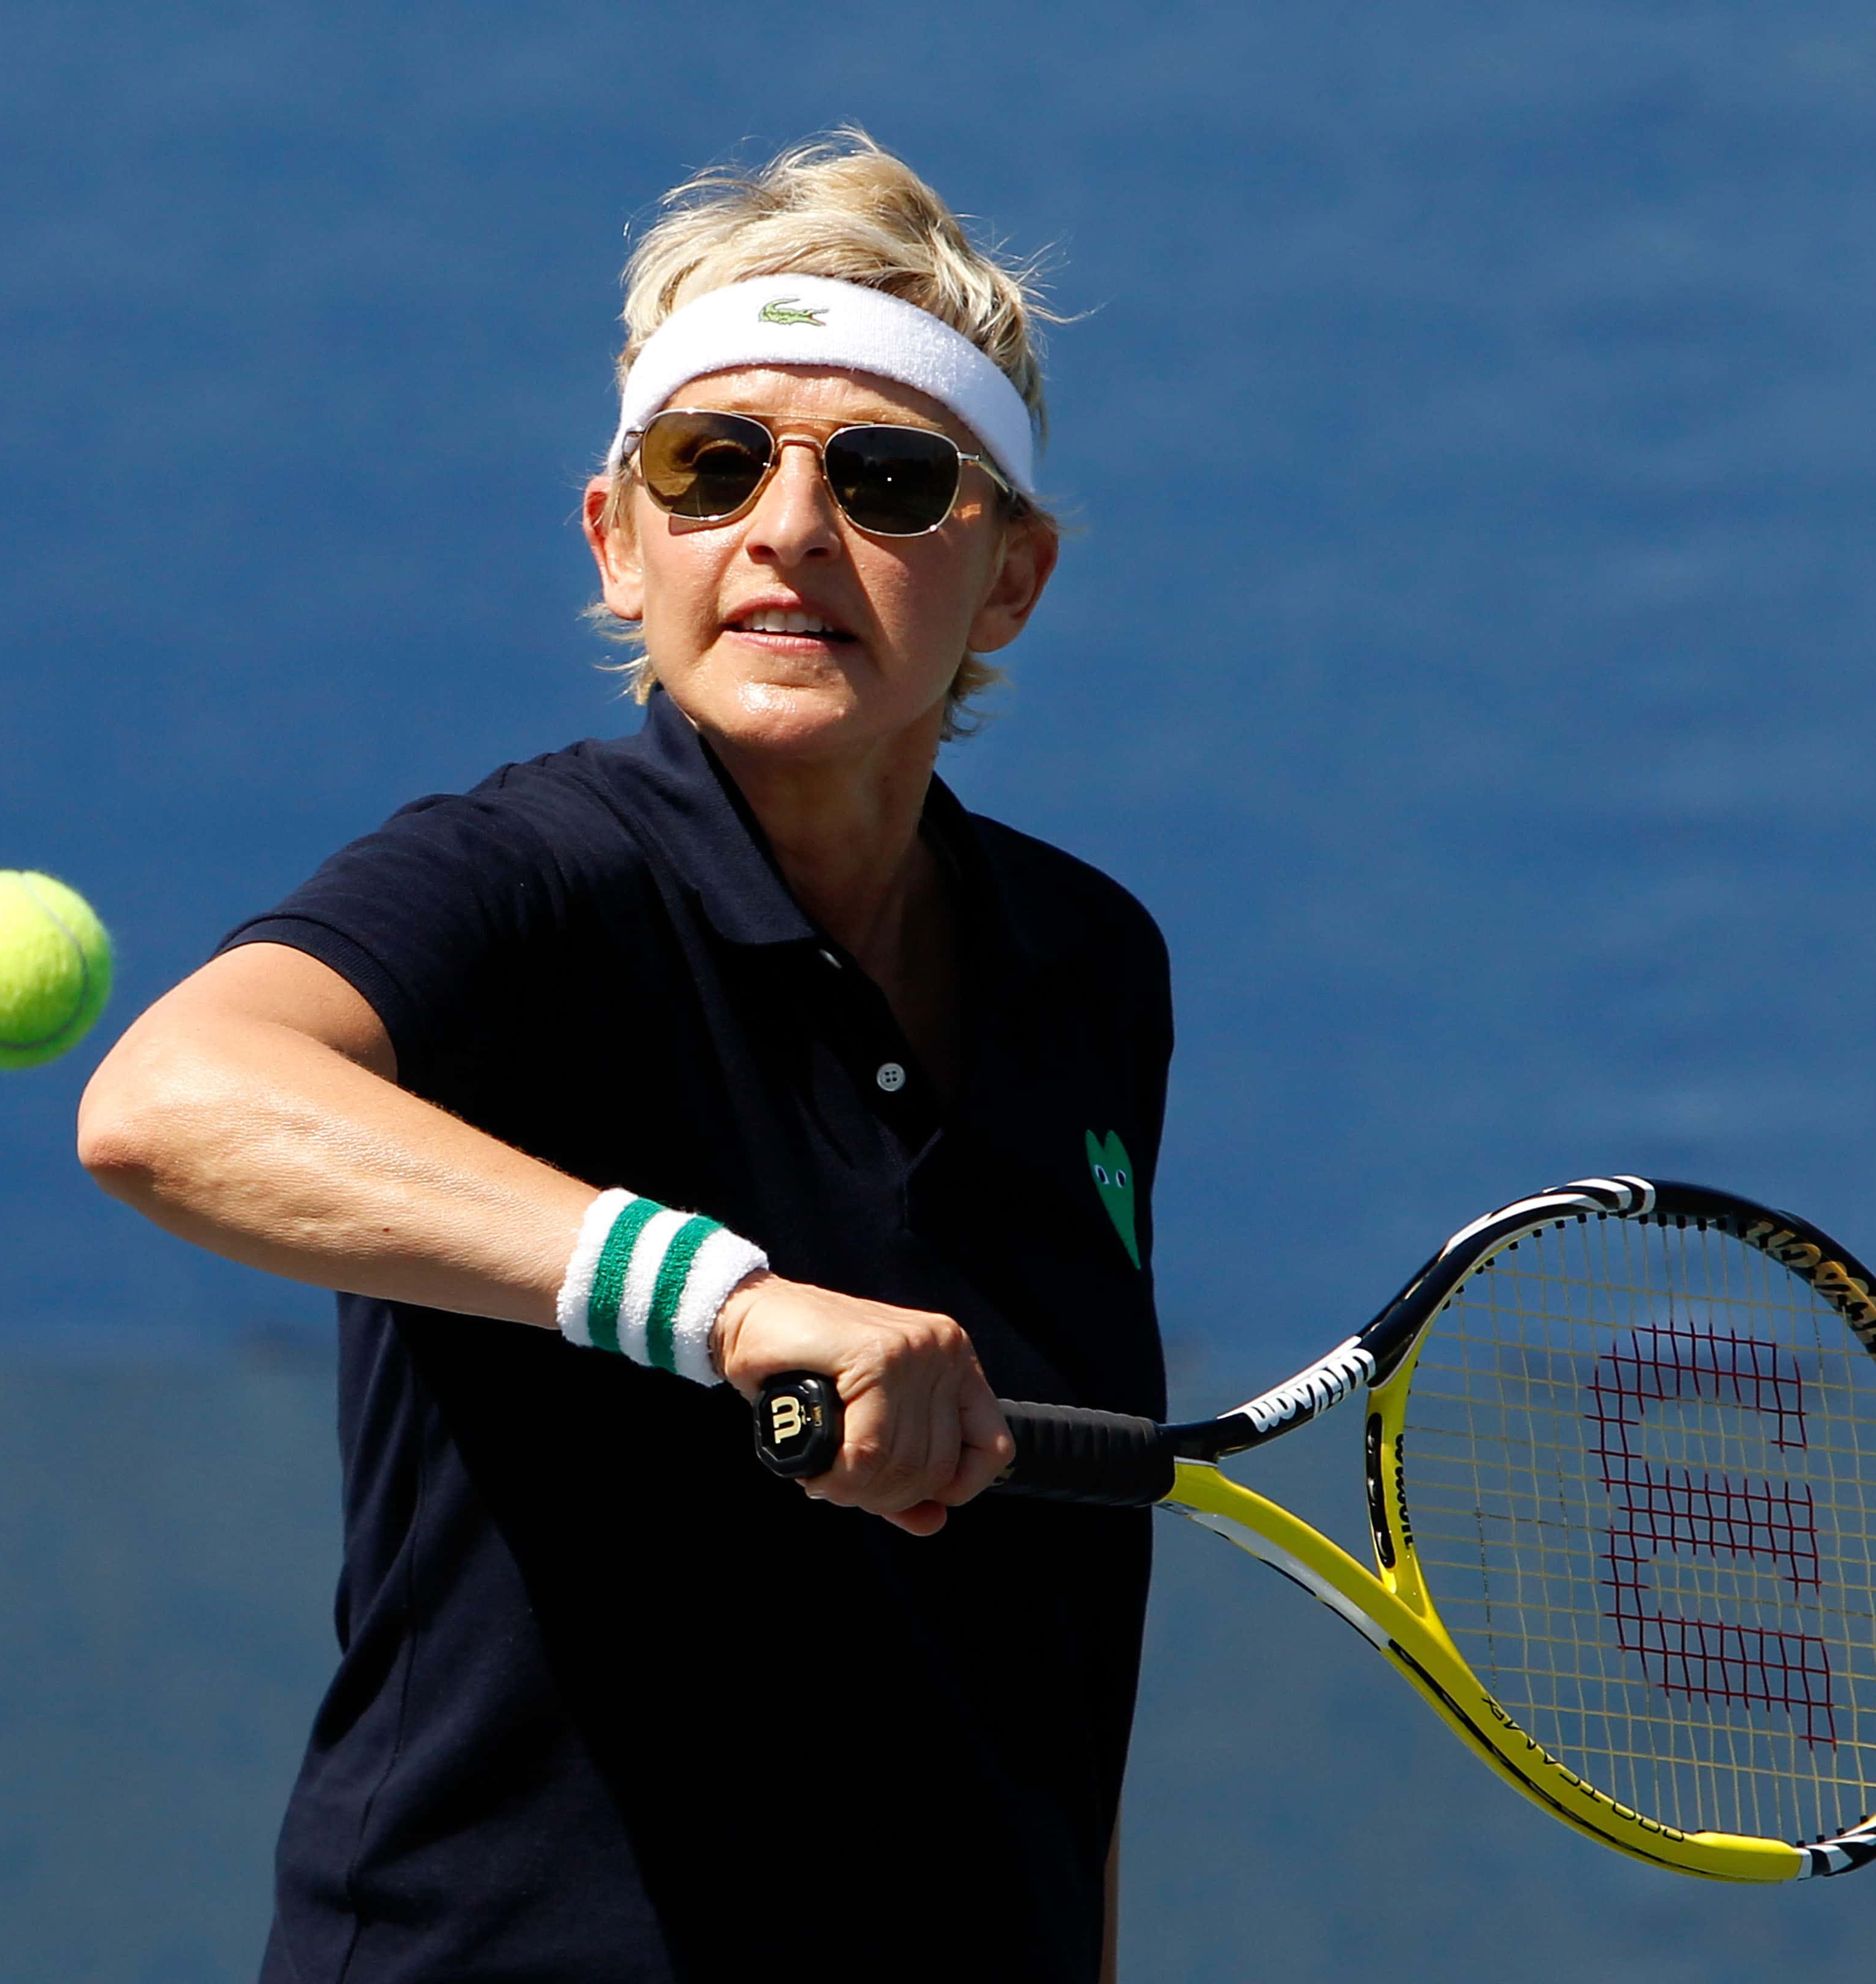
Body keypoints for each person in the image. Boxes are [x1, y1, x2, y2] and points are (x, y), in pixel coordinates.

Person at [80, 131, 1170, 1984]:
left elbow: (1056, 1648)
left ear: (1009, 579)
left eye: (895, 480)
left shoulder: (1090, 963)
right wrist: (726, 1303)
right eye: (712, 464)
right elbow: (166, 1105)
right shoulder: (526, 882)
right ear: (619, 538)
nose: (789, 531)